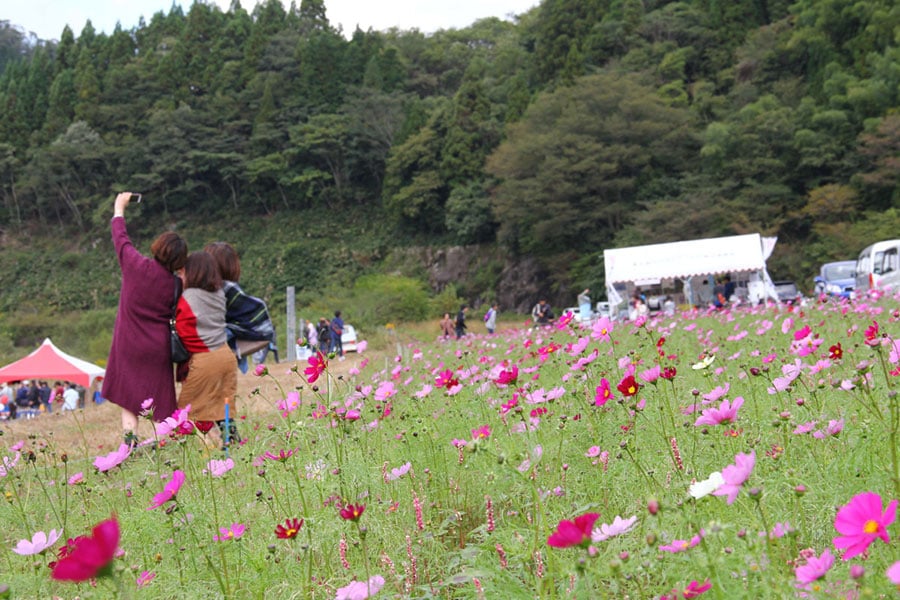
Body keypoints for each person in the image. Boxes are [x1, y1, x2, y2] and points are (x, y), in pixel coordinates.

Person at [102, 192, 188, 447]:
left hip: (128, 344)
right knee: (161, 397)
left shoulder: (135, 265)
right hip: (158, 347)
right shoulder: (176, 284)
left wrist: (119, 208)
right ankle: (165, 440)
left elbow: (121, 239)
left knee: (129, 395)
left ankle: (129, 442)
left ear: (158, 247)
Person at [175, 251, 240, 447]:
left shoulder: (188, 296)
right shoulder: (219, 294)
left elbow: (184, 330)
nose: (180, 275)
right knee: (222, 405)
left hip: (205, 358)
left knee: (186, 410)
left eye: (183, 271)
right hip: (226, 355)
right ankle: (232, 442)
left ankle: (197, 450)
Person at [204, 242, 277, 374]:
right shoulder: (229, 290)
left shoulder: (196, 292)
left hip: (201, 360)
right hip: (226, 360)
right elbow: (264, 328)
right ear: (232, 266)